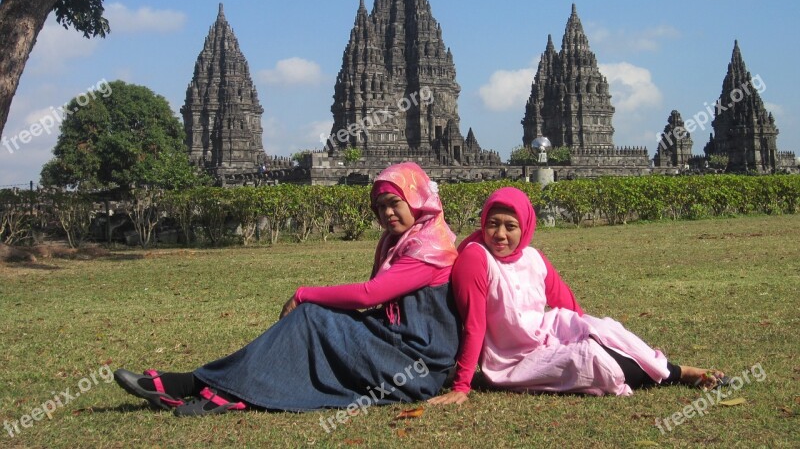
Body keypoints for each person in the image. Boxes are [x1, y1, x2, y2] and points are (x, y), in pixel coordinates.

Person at [114, 162, 461, 416]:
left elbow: (370, 295)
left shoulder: (430, 248)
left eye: (394, 203)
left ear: (416, 200)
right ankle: (208, 386)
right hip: (394, 344)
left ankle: (199, 386)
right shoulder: (398, 241)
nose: (386, 213)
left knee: (312, 314)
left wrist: (303, 292)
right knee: (318, 320)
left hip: (417, 366)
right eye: (380, 206)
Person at [429, 187, 727, 405]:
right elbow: (474, 324)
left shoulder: (532, 256)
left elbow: (566, 304)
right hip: (513, 357)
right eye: (493, 224)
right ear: (483, 224)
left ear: (526, 228)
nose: (500, 234)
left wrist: (589, 329)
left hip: (547, 330)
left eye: (511, 226)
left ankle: (675, 369)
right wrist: (462, 385)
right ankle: (679, 374)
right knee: (594, 359)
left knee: (607, 329)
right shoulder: (476, 258)